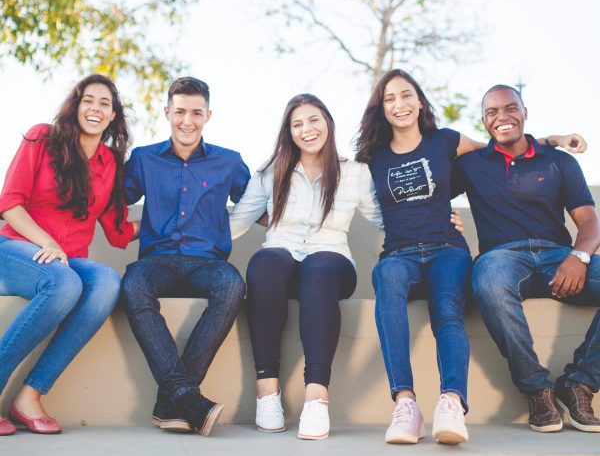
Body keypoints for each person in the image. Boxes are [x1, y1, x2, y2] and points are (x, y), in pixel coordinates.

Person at [354, 69, 584, 445]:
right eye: (390, 98)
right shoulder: (371, 157)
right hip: (398, 253)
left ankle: (451, 403)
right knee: (388, 284)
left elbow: (502, 146)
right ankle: (405, 404)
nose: (400, 104)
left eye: (407, 95)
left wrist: (553, 139)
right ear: (381, 108)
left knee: (447, 310)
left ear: (420, 101)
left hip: (448, 249)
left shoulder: (446, 141)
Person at [228, 93, 389, 440]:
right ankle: (267, 391)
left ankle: (316, 397)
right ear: (289, 132)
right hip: (281, 260)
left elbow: (384, 219)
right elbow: (235, 223)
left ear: (327, 123)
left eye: (313, 120)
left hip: (332, 262)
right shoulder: (270, 173)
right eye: (297, 124)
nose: (307, 129)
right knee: (265, 262)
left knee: (319, 269)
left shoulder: (355, 173)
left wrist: (433, 224)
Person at [453, 84, 600, 434]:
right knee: (487, 280)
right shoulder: (471, 165)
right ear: (484, 121)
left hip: (559, 258)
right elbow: (429, 164)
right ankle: (537, 390)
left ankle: (579, 384)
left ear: (525, 112)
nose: (502, 117)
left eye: (510, 108)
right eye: (492, 112)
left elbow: (589, 221)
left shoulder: (559, 161)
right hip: (501, 259)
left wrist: (579, 257)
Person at [0, 75, 137, 436]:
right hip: (16, 246)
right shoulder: (42, 138)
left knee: (107, 282)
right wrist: (47, 243)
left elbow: (118, 231)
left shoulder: (110, 164)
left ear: (112, 115)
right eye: (88, 100)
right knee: (63, 284)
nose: (95, 108)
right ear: (76, 106)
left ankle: (29, 395)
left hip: (68, 259)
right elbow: (9, 203)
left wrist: (174, 223)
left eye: (104, 103)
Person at [121, 77, 250, 437]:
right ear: (167, 112)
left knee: (232, 285)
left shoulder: (229, 161)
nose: (187, 121)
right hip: (156, 261)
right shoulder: (144, 158)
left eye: (196, 112)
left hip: (207, 263)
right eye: (180, 111)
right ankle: (188, 398)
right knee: (132, 285)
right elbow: (112, 200)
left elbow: (261, 202)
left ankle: (174, 400)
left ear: (209, 115)